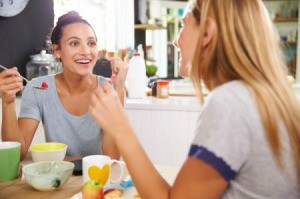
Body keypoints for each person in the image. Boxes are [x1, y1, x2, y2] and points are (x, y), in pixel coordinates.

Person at [89, 0, 300, 198]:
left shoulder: (231, 103)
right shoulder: (262, 95)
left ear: (207, 32)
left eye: (183, 25)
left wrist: (120, 127)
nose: (175, 40)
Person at [0, 11, 127, 160]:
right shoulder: (37, 89)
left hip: (96, 178)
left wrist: (119, 90)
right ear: (57, 51)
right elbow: (18, 155)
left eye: (91, 43)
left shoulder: (109, 89)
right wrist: (7, 102)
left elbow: (111, 157)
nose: (86, 52)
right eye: (74, 43)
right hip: (57, 179)